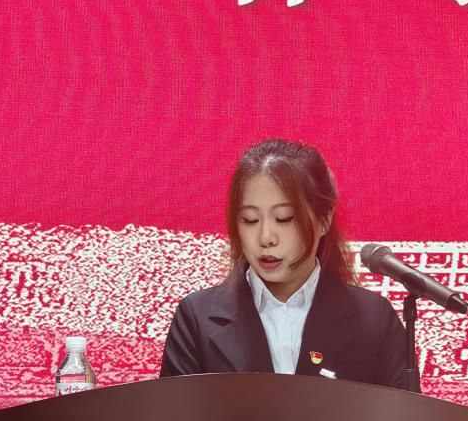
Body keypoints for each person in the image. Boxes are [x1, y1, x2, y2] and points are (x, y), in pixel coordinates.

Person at [159, 139, 413, 389]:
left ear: (324, 219)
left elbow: (403, 416)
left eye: (284, 218)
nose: (265, 238)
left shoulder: (374, 319)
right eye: (250, 220)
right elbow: (175, 415)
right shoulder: (197, 318)